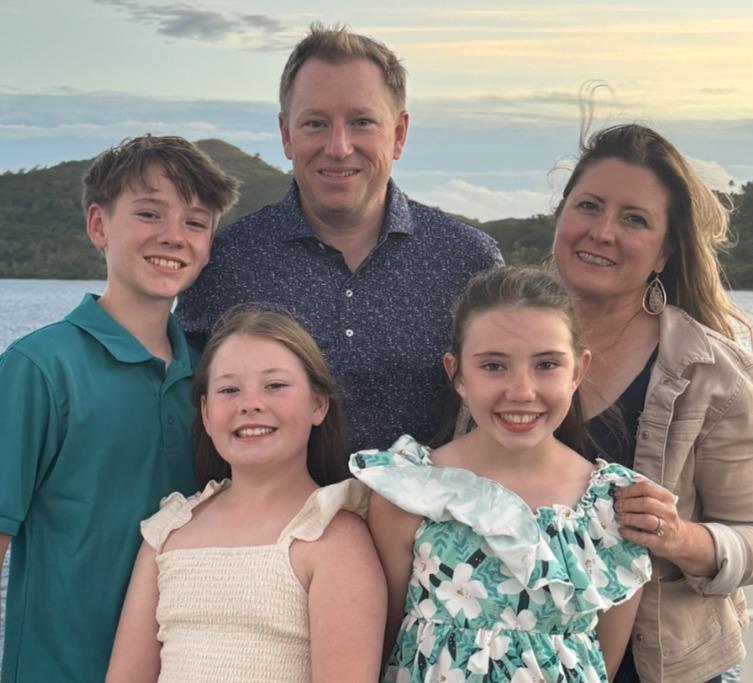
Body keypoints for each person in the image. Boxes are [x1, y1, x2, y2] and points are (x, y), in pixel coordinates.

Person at [175, 24, 502, 454]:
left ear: (399, 133)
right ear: (286, 134)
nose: (339, 147)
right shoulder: (226, 261)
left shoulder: (468, 261)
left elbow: (512, 403)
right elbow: (180, 408)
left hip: (432, 499)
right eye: (315, 123)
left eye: (361, 122)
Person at [0, 135, 239, 682]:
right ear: (98, 225)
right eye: (149, 213)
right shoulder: (38, 368)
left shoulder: (215, 379)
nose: (173, 235)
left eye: (196, 222)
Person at [351, 265, 653, 682]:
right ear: (457, 375)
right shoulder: (411, 490)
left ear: (578, 371)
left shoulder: (614, 507)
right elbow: (378, 643)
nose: (521, 391)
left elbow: (601, 663)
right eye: (494, 366)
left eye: (547, 364)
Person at [552, 123, 753, 683]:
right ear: (560, 215)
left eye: (634, 219)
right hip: (509, 659)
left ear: (664, 251)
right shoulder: (496, 336)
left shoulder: (710, 371)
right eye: (589, 206)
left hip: (660, 668)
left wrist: (679, 536)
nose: (603, 232)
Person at [106, 307, 386, 683]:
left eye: (275, 385)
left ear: (318, 404)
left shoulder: (332, 536)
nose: (250, 403)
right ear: (206, 413)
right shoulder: (168, 532)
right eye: (228, 389)